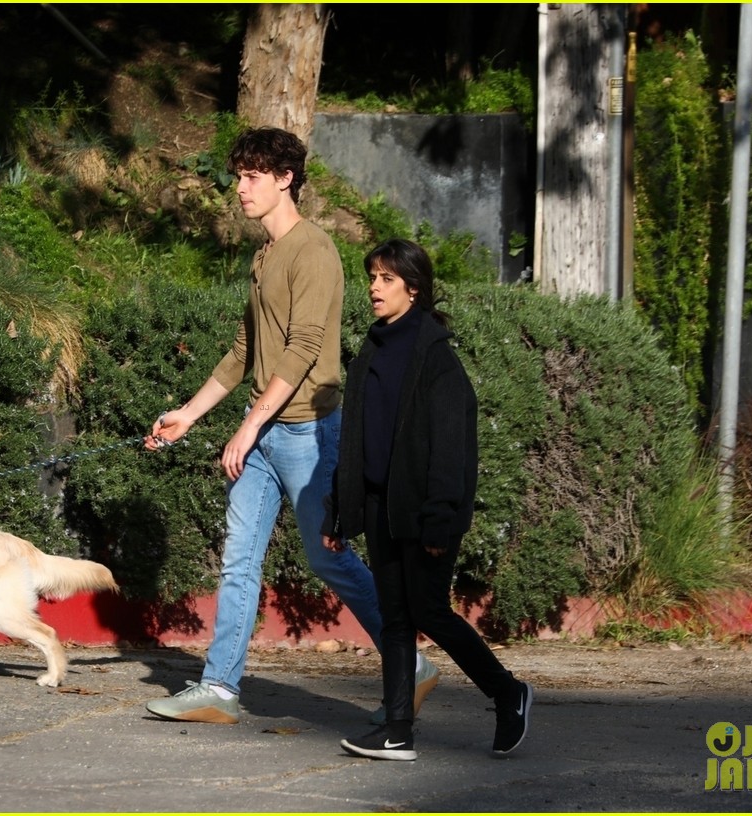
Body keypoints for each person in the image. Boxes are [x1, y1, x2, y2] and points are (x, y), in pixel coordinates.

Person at [142, 128, 439, 725]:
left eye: (253, 176)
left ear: (285, 179)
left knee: (328, 560)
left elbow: (304, 348)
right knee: (238, 561)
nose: (241, 188)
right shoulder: (263, 257)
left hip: (307, 433)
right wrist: (188, 415)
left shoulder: (315, 251)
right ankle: (220, 687)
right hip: (262, 434)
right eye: (239, 176)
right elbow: (244, 351)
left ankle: (408, 662)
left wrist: (249, 426)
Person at [322, 238, 533, 760]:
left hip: (425, 514)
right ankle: (398, 731)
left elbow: (451, 449)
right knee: (394, 619)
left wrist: (440, 520)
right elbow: (355, 442)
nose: (374, 286)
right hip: (379, 510)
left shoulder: (437, 360)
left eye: (386, 279)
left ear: (413, 290)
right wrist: (340, 510)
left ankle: (508, 692)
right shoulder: (370, 352)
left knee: (430, 612)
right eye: (372, 276)